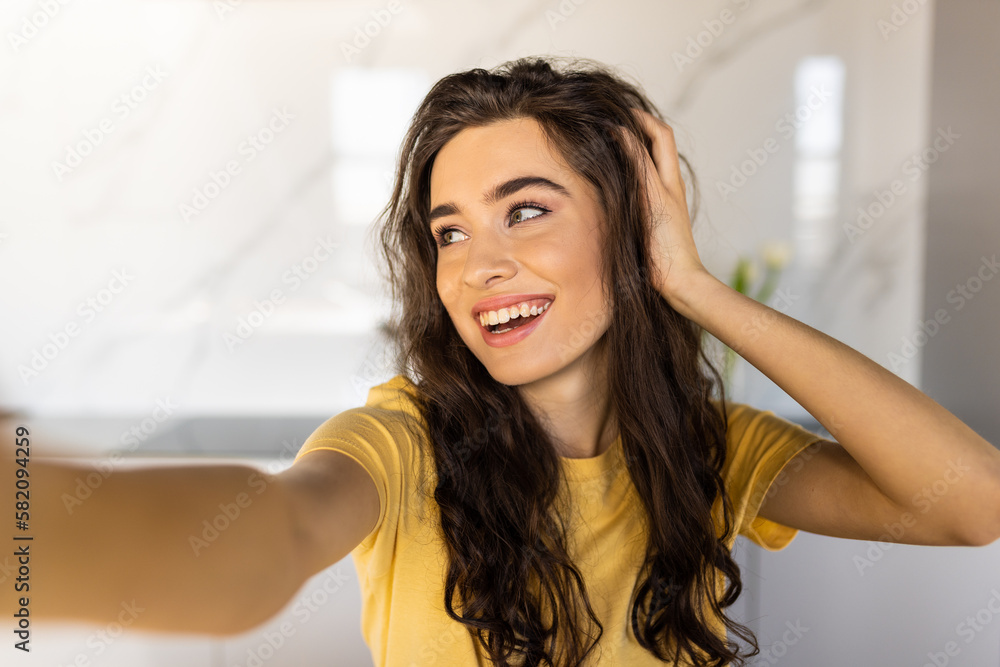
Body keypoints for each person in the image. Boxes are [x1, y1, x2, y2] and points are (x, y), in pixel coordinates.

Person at [2, 56, 999, 667]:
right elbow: (266, 534)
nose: (480, 265)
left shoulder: (715, 451)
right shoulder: (396, 439)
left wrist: (694, 287)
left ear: (630, 228)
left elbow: (970, 503)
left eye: (525, 210)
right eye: (449, 230)